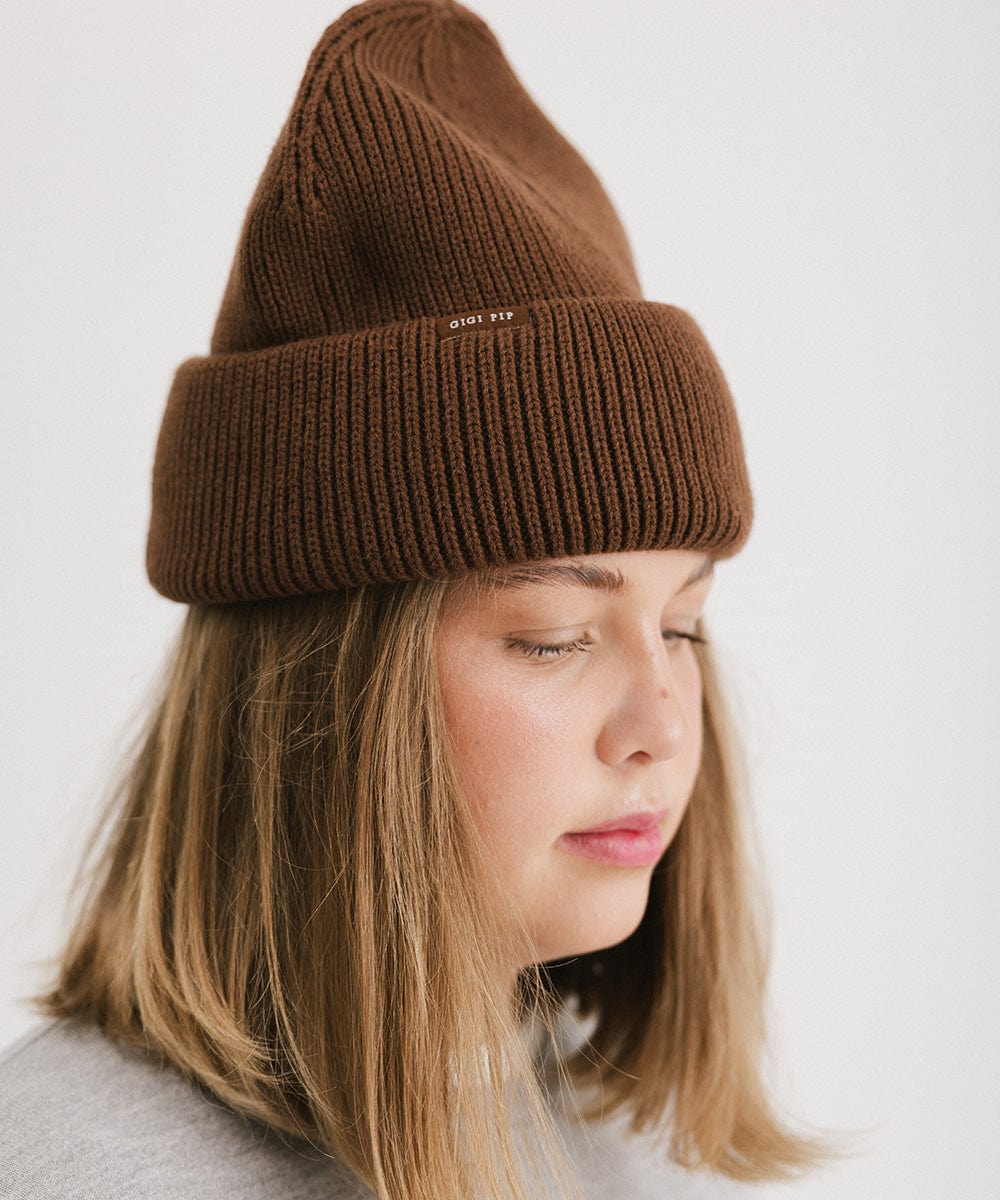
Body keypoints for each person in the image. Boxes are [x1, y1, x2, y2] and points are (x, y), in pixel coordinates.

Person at [0, 1, 840, 1196]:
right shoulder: (76, 1172)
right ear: (316, 696)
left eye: (681, 626)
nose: (660, 724)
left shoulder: (614, 1138)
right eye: (554, 638)